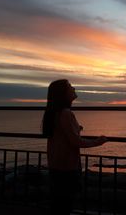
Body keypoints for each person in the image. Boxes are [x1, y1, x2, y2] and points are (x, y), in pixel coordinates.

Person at [42, 79, 107, 215]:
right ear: (63, 93)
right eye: (70, 86)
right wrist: (98, 141)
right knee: (65, 205)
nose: (73, 88)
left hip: (55, 165)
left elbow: (62, 133)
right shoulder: (66, 113)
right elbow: (76, 142)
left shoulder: (54, 112)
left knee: (58, 204)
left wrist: (77, 128)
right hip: (67, 167)